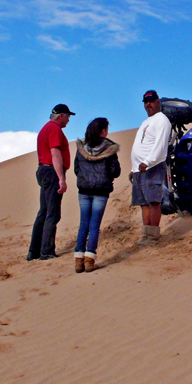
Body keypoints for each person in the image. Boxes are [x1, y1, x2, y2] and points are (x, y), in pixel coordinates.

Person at [73, 117, 121, 273]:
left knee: (83, 225)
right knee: (94, 226)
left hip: (84, 191)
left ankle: (79, 261)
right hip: (101, 191)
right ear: (103, 131)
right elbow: (115, 171)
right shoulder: (109, 149)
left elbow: (76, 169)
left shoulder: (81, 148)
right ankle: (89, 260)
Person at [27, 103, 74, 261]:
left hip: (44, 171)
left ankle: (34, 251)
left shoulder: (46, 128)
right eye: (68, 116)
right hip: (51, 172)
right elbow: (55, 153)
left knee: (44, 212)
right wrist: (61, 178)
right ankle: (46, 251)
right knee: (52, 213)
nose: (68, 119)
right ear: (61, 115)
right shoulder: (54, 129)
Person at [130, 90, 171, 243]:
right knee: (143, 203)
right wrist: (134, 168)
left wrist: (147, 162)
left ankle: (153, 236)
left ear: (158, 102)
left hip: (151, 167)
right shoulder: (145, 122)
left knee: (153, 202)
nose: (148, 104)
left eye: (151, 101)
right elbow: (140, 146)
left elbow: (160, 147)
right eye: (146, 102)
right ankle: (146, 234)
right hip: (139, 169)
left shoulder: (162, 120)